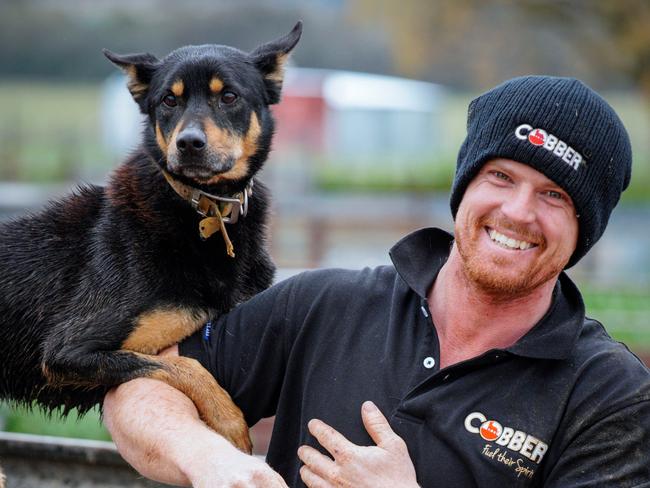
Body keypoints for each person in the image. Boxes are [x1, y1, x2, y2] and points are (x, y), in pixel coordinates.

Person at [103, 76, 650, 487]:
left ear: (585, 228)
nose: (517, 211)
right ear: (464, 186)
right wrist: (211, 460)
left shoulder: (611, 396)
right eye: (500, 176)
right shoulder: (323, 305)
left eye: (554, 195)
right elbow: (138, 384)